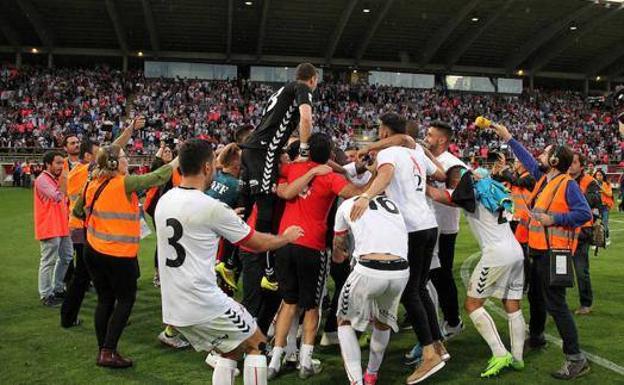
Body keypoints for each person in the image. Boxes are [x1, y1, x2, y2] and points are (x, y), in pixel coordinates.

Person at [155, 138, 304, 385]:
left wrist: (224, 220)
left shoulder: (166, 200)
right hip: (202, 301)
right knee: (256, 344)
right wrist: (285, 237)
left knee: (230, 350)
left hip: (173, 304)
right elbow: (254, 242)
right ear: (206, 167)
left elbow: (194, 227)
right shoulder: (212, 207)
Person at [488, 121, 592, 380]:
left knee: (556, 306)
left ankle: (576, 357)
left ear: (555, 160)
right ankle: (540, 338)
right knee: (539, 298)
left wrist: (554, 218)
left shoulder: (567, 184)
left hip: (555, 253)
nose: (540, 157)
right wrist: (510, 138)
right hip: (539, 251)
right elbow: (528, 161)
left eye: (545, 154)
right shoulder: (546, 179)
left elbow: (584, 214)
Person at [351, 112, 447, 384]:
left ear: (383, 131)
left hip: (411, 228)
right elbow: (438, 174)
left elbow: (388, 174)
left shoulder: (390, 153)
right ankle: (438, 344)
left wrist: (367, 195)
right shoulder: (414, 152)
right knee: (419, 287)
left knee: (409, 291)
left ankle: (429, 354)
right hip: (428, 224)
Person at [267, 133, 367, 380]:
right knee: (312, 305)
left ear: (307, 150)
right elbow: (357, 192)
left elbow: (282, 189)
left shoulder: (292, 169)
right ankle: (305, 361)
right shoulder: (331, 177)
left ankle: (276, 360)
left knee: (288, 303)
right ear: (331, 155)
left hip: (285, 242)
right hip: (313, 245)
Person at [72, 144, 180, 368]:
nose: (126, 161)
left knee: (105, 300)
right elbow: (157, 177)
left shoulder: (91, 183)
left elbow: (77, 211)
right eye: (123, 158)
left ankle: (104, 348)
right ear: (113, 163)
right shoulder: (124, 183)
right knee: (125, 299)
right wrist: (178, 160)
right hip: (118, 254)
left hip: (92, 251)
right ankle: (109, 351)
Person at [427, 166, 527, 377]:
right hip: (515, 251)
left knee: (472, 304)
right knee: (512, 303)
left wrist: (414, 179)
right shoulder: (487, 186)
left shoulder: (465, 191)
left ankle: (500, 353)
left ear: (455, 182)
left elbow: (435, 194)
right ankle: (518, 358)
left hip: (496, 254)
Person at [239, 63, 319, 287]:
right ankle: (269, 271)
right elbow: (305, 119)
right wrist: (303, 150)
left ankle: (228, 261)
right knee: (267, 208)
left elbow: (272, 124)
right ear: (312, 79)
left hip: (252, 150)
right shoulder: (302, 88)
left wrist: (281, 151)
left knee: (246, 206)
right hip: (263, 153)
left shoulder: (281, 91)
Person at [61, 118, 140, 328]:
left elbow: (114, 148)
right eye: (98, 155)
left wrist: (130, 129)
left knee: (89, 276)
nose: (106, 158)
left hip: (83, 226)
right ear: (89, 157)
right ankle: (74, 316)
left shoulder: (80, 171)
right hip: (84, 229)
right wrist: (130, 129)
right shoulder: (85, 170)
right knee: (83, 277)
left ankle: (73, 316)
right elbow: (115, 148)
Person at [332, 194, 410, 385]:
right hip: (400, 271)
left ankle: (356, 382)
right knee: (383, 321)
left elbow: (339, 243)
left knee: (344, 321)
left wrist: (339, 254)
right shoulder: (394, 202)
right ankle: (371, 375)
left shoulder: (347, 204)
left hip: (369, 269)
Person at [423, 121, 467, 341]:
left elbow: (462, 198)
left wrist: (427, 190)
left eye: (430, 135)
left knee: (441, 276)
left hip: (444, 229)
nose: (426, 137)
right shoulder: (430, 160)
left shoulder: (453, 164)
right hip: (428, 226)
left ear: (442, 140)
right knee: (426, 276)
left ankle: (452, 320)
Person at [34, 150, 72, 307]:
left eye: (62, 163)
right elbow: (57, 196)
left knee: (67, 257)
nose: (61, 166)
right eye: (57, 163)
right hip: (49, 226)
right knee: (48, 261)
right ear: (48, 164)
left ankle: (57, 288)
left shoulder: (55, 178)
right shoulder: (42, 180)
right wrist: (65, 177)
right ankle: (45, 294)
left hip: (62, 225)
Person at [568, 154, 601, 316]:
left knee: (581, 271)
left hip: (581, 233)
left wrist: (572, 196)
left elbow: (595, 200)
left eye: (574, 163)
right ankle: (557, 303)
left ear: (581, 166)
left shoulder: (590, 181)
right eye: (570, 162)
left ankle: (586, 303)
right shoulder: (563, 179)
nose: (571, 165)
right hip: (563, 231)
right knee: (559, 269)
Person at [594, 169, 614, 245]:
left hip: (605, 207)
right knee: (595, 224)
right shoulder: (593, 185)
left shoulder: (607, 184)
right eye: (597, 175)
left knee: (604, 223)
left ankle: (606, 239)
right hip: (596, 207)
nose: (598, 176)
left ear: (603, 176)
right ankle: (596, 241)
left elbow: (610, 194)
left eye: (600, 175)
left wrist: (601, 189)